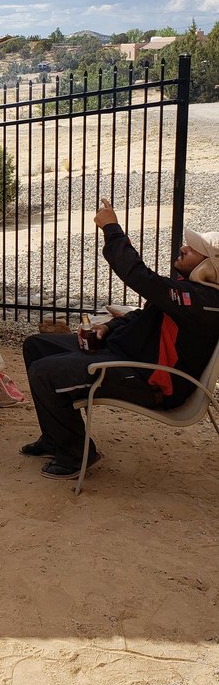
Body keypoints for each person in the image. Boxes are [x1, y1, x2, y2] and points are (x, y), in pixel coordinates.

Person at [22, 200, 219, 480]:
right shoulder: (190, 293)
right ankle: (55, 438)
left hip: (147, 378)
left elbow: (139, 276)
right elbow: (146, 317)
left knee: (44, 373)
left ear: (210, 265)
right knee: (37, 346)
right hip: (126, 356)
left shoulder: (203, 301)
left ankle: (77, 455)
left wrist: (112, 229)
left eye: (193, 249)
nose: (184, 247)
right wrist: (109, 328)